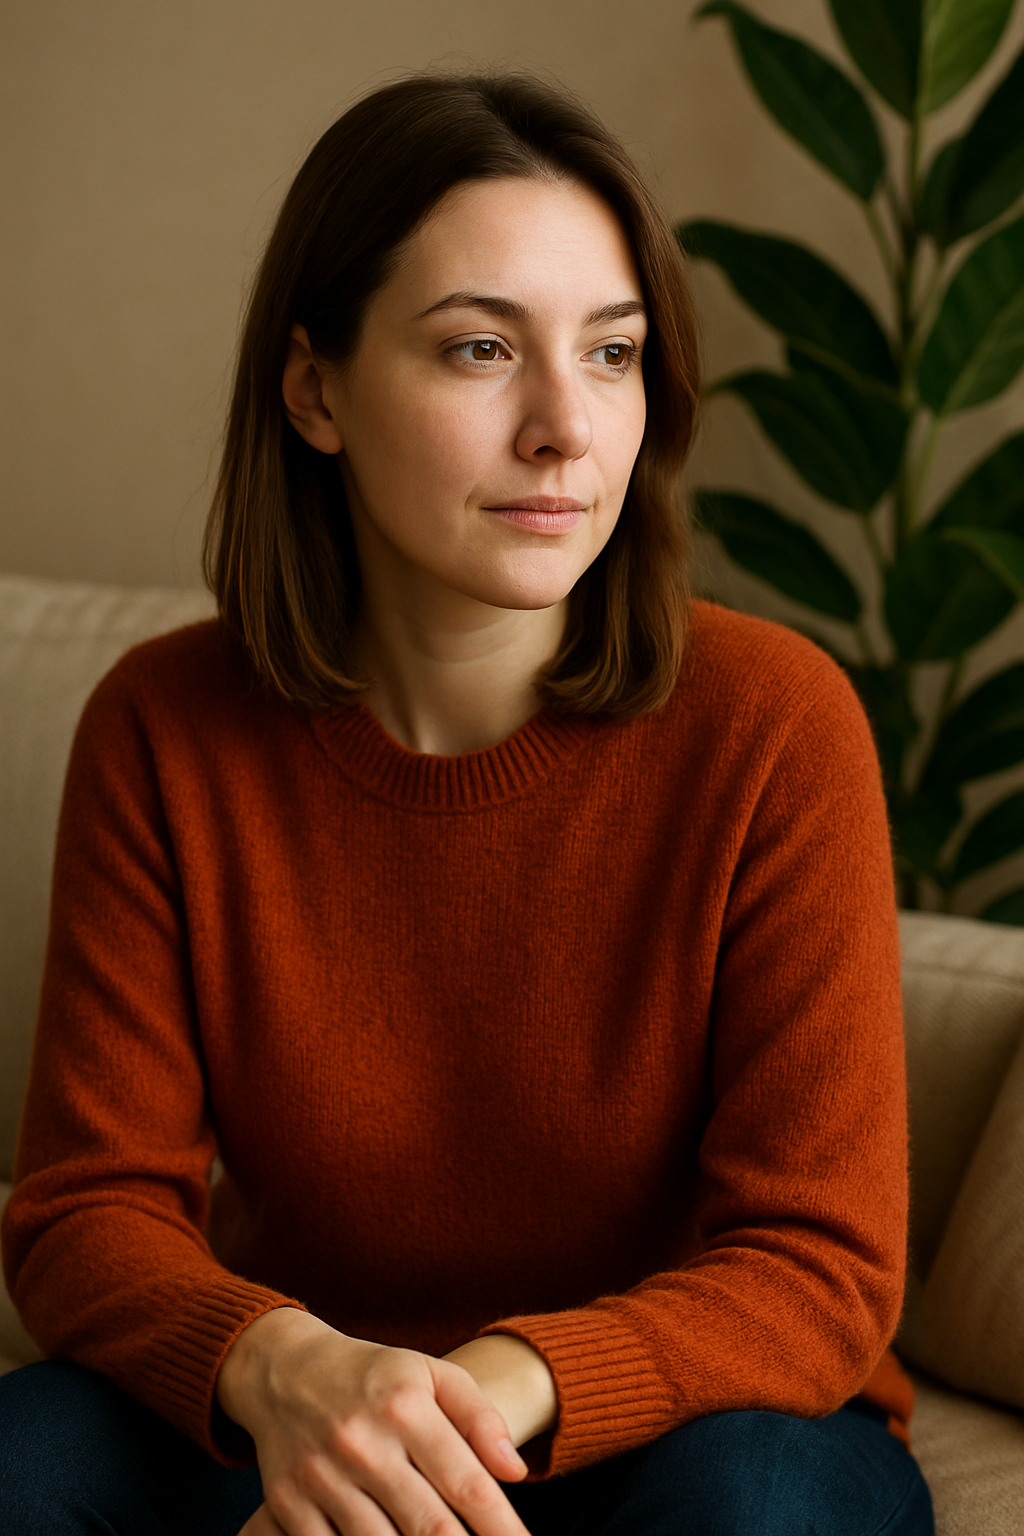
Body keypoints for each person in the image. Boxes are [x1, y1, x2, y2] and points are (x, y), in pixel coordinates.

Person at [0, 71, 933, 1536]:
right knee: (26, 1453)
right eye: (482, 348)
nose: (567, 427)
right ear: (315, 390)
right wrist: (293, 1368)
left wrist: (464, 1402)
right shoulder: (164, 729)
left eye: (613, 353)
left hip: (679, 1437)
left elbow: (817, 1264)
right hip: (297, 1425)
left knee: (756, 1501)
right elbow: (82, 1213)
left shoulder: (773, 724)